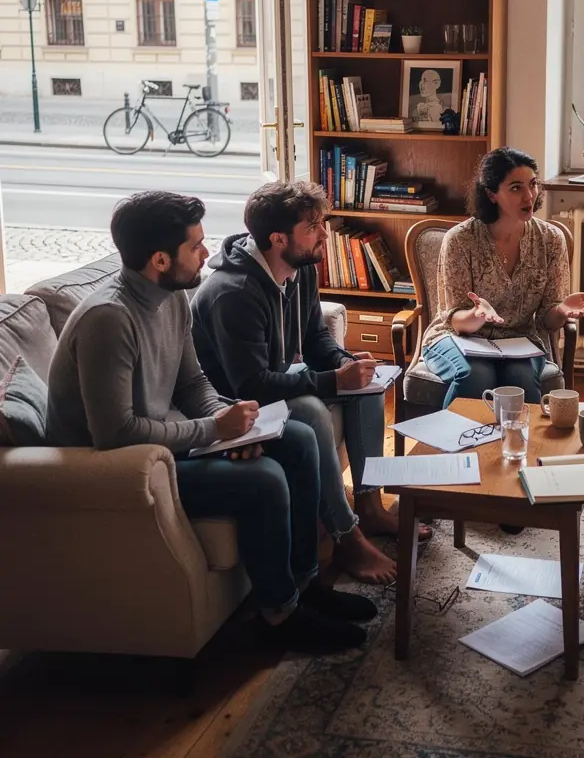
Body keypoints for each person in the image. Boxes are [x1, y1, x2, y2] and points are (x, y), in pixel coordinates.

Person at [46, 191, 375, 653]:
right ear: (160, 259)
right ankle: (279, 616)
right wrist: (212, 432)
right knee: (264, 480)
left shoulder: (172, 297)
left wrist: (229, 422)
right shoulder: (110, 320)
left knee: (297, 440)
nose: (208, 253)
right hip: (119, 472)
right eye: (196, 246)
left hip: (165, 445)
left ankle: (304, 586)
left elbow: (192, 384)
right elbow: (115, 434)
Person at [190, 181, 429, 575]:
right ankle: (345, 536)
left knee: (368, 388)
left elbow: (316, 338)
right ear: (278, 238)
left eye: (322, 222)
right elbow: (252, 385)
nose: (325, 234)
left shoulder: (299, 268)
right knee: (311, 409)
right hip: (237, 404)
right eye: (313, 226)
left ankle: (369, 505)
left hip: (277, 380)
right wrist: (335, 380)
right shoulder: (233, 294)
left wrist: (347, 363)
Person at [419, 147, 584, 407]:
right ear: (492, 194)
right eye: (516, 188)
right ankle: (454, 446)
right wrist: (477, 315)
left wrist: (561, 309)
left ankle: (522, 447)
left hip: (519, 342)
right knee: (476, 374)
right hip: (458, 337)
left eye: (533, 184)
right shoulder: (461, 240)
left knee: (520, 379)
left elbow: (547, 322)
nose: (529, 195)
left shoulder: (550, 240)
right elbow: (456, 320)